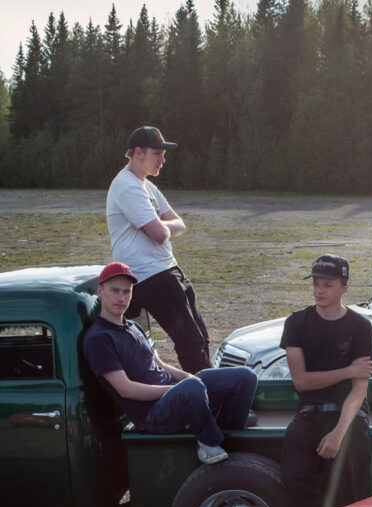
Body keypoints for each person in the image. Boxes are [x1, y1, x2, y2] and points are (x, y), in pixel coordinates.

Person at [83, 262, 257, 465]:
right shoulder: (99, 339)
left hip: (176, 394)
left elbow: (160, 364)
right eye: (115, 291)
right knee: (191, 387)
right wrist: (178, 388)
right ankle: (208, 443)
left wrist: (186, 377)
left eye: (126, 291)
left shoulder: (133, 327)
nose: (121, 298)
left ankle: (228, 438)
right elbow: (125, 389)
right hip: (152, 414)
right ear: (100, 291)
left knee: (245, 377)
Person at [280, 254, 372, 507]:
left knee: (348, 497)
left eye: (328, 285)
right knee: (295, 481)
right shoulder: (297, 323)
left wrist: (338, 433)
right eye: (316, 284)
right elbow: (302, 382)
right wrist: (348, 370)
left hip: (348, 417)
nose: (320, 291)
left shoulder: (360, 327)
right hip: (309, 413)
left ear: (344, 288)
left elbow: (359, 392)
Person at [106, 125, 210, 374]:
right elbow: (159, 234)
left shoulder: (147, 186)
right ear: (138, 152)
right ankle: (208, 395)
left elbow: (179, 224)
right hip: (150, 276)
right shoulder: (127, 186)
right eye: (157, 153)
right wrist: (161, 227)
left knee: (201, 337)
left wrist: (161, 226)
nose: (163, 160)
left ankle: (215, 388)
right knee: (190, 342)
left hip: (167, 269)